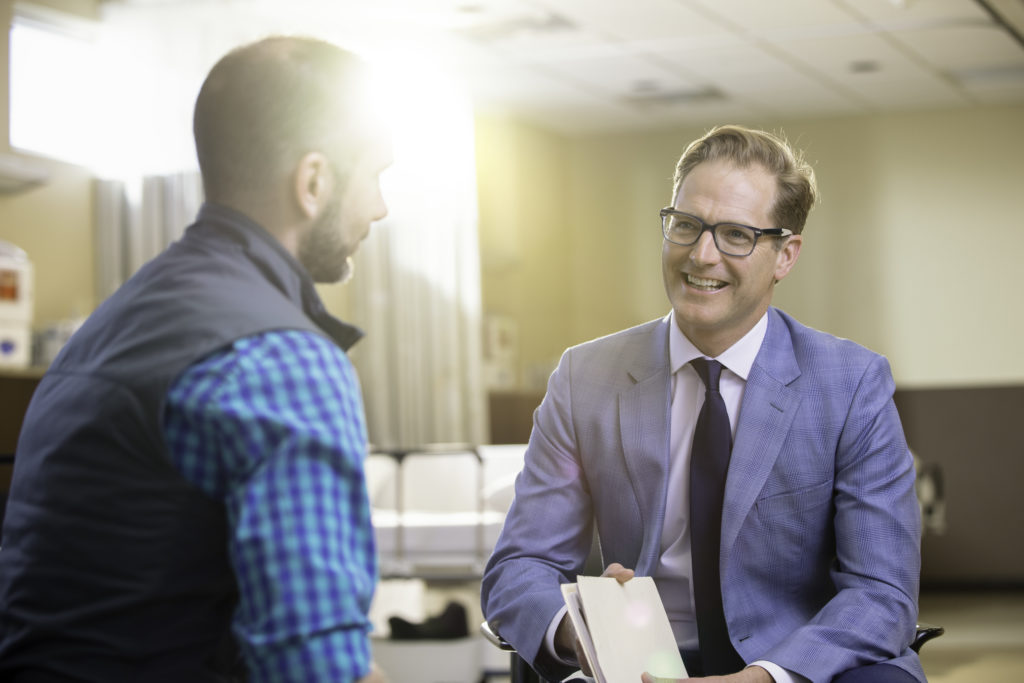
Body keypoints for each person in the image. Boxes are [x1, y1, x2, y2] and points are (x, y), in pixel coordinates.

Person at [0, 37, 392, 682]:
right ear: (314, 182)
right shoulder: (284, 360)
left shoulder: (105, 330)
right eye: (375, 175)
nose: (380, 206)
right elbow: (317, 669)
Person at [481, 125, 924, 683]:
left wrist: (765, 677)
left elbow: (882, 591)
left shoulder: (852, 383)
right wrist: (586, 631)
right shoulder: (584, 377)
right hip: (637, 663)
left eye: (736, 234)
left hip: (792, 661)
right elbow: (520, 566)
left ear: (785, 255)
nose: (702, 254)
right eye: (686, 225)